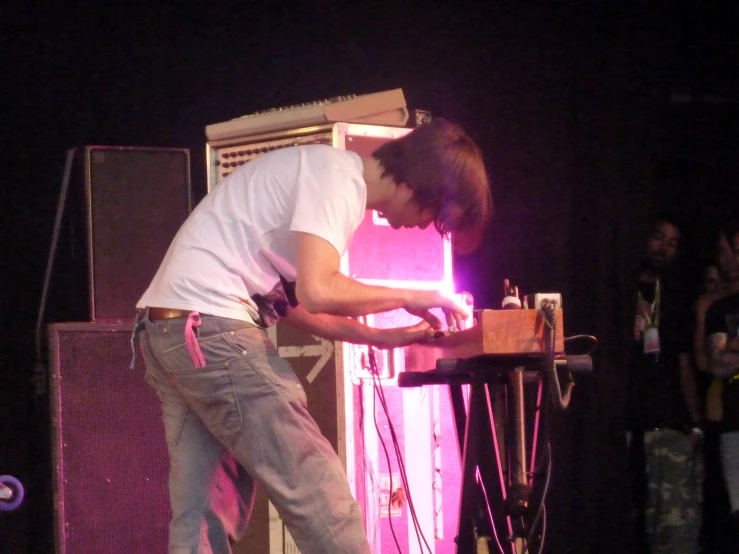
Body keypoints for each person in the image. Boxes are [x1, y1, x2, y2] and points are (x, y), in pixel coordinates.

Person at [132, 118, 492, 554]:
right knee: (319, 491)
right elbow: (318, 290)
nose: (426, 227)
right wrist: (414, 295)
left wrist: (380, 338)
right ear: (421, 188)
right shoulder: (336, 178)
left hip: (169, 330)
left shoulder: (324, 175)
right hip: (209, 330)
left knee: (201, 511)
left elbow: (293, 305)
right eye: (436, 216)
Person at [624, 215, 703, 554]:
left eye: (673, 244)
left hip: (668, 426)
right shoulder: (616, 290)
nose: (664, 248)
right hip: (626, 426)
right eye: (659, 238)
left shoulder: (677, 297)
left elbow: (684, 362)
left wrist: (695, 423)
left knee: (675, 532)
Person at [703, 220, 739, 552]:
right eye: (731, 251)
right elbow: (717, 362)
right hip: (735, 425)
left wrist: (734, 348)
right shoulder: (721, 309)